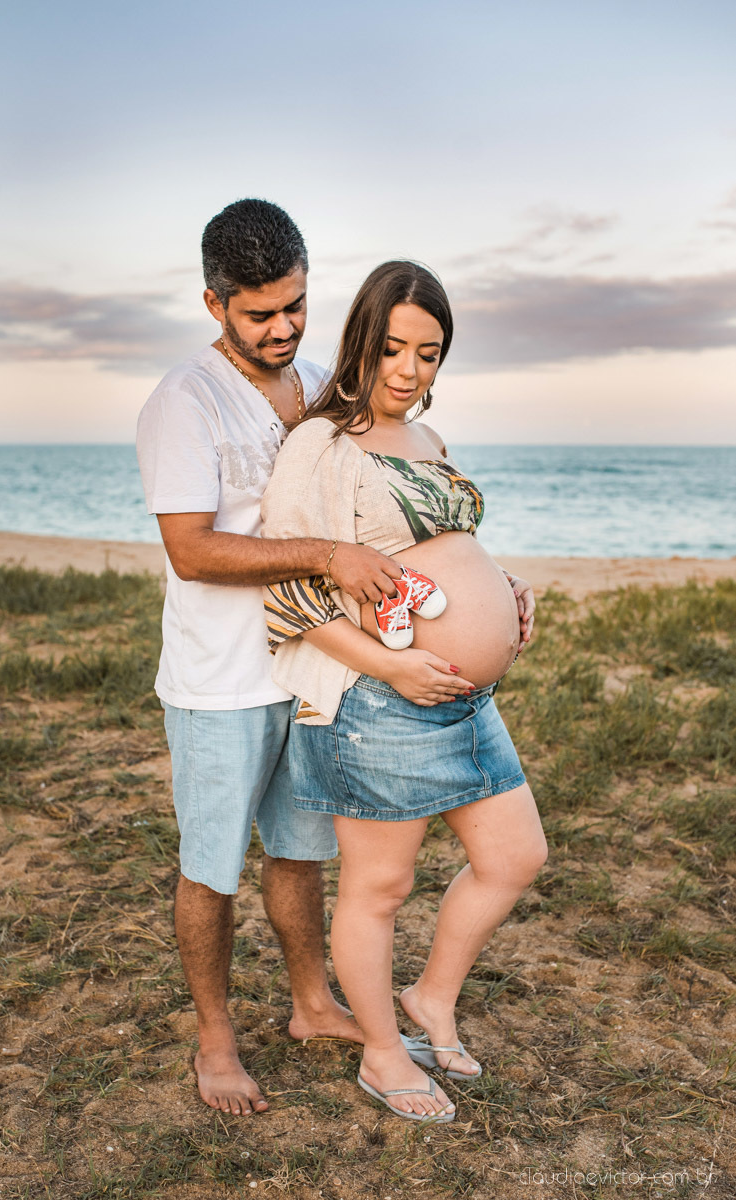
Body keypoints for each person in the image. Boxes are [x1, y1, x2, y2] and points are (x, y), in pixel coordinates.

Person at [135, 203, 472, 1117]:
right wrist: (327, 557)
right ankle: (214, 1039)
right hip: (218, 681)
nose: (282, 328)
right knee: (211, 867)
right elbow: (192, 551)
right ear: (214, 303)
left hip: (312, 668)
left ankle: (312, 1003)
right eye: (259, 314)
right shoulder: (184, 402)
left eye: (295, 305)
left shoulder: (320, 383)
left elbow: (371, 511)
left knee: (299, 851)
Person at [262, 260, 548, 1123]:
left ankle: (431, 998)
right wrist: (392, 666)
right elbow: (288, 595)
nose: (408, 369)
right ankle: (382, 1053)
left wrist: (501, 588)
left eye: (428, 353)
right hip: (376, 700)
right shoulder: (321, 445)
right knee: (379, 889)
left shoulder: (427, 439)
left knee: (515, 857)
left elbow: (441, 547)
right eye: (392, 348)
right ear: (362, 341)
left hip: (462, 698)